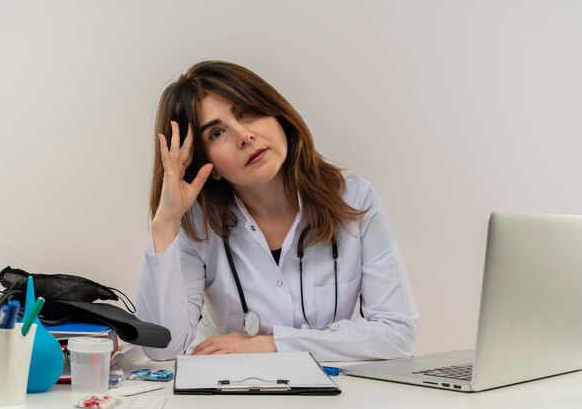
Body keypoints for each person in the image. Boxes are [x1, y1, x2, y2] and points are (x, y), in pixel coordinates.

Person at [135, 60, 418, 361]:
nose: (244, 135)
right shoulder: (197, 224)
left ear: (276, 113)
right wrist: (166, 223)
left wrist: (275, 344)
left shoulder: (357, 199)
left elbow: (397, 333)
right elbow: (162, 347)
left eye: (247, 113)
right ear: (208, 165)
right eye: (217, 133)